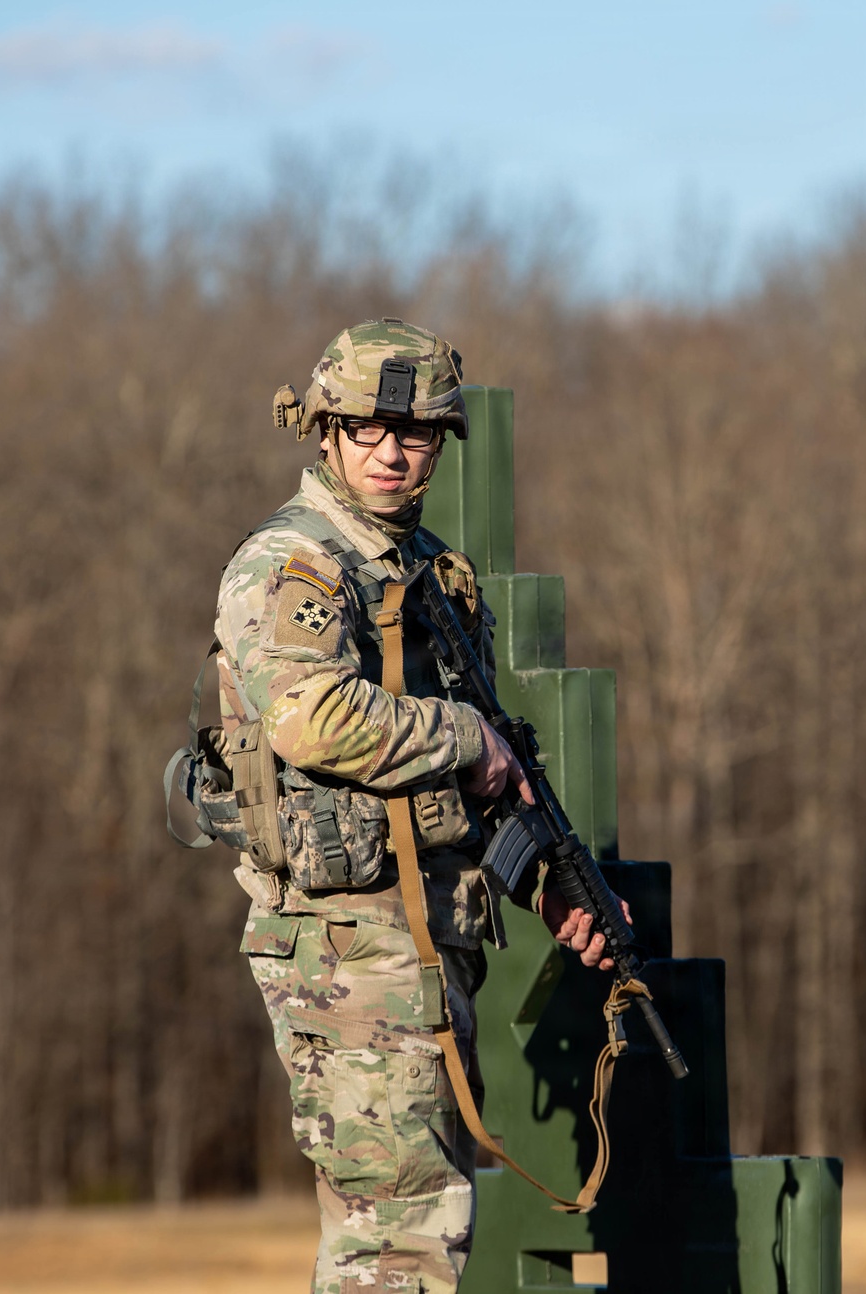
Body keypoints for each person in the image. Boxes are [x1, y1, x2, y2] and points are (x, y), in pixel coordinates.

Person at [214, 319, 619, 1294]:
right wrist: (465, 740)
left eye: (419, 433)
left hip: (428, 939)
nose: (393, 452)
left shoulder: (431, 571)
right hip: (344, 944)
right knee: (400, 1235)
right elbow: (311, 719)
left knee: (414, 1224)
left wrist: (548, 887)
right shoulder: (292, 565)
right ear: (323, 431)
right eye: (366, 428)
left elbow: (476, 779)